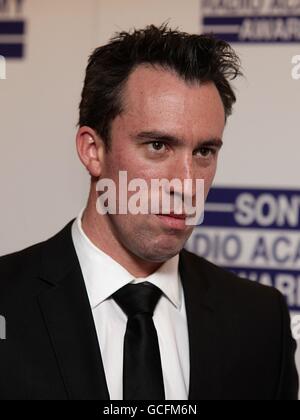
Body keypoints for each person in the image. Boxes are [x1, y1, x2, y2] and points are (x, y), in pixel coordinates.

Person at [0, 24, 298, 400]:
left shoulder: (260, 321)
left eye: (204, 152)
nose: (187, 184)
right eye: (158, 145)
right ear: (93, 150)